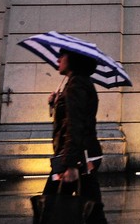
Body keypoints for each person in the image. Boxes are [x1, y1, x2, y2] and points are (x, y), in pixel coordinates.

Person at [42, 49, 108, 224]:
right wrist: (55, 102)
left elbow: (76, 124)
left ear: (73, 60)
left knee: (49, 205)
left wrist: (70, 165)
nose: (58, 59)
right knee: (92, 208)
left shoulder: (76, 84)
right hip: (79, 154)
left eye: (62, 56)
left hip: (76, 156)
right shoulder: (77, 83)